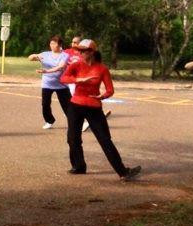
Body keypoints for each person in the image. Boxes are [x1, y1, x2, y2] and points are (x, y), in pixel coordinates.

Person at [60, 39, 141, 181]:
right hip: (76, 105)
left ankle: (123, 172)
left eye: (84, 51)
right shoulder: (76, 65)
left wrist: (102, 96)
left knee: (105, 140)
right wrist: (78, 80)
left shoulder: (102, 69)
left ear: (92, 52)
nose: (81, 53)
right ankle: (79, 166)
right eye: (80, 50)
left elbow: (110, 90)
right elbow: (64, 78)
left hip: (93, 106)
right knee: (72, 138)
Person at [28, 35, 71, 129]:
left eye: (54, 43)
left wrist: (46, 71)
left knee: (67, 105)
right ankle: (49, 120)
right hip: (47, 84)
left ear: (59, 45)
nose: (51, 45)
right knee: (45, 104)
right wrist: (35, 55)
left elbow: (60, 67)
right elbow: (30, 58)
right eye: (51, 43)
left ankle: (74, 121)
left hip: (62, 84)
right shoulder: (45, 54)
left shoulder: (65, 55)